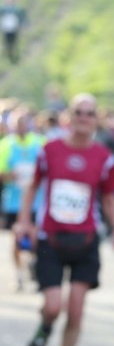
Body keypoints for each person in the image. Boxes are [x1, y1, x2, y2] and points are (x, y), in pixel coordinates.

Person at [15, 94, 114, 346]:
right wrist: (24, 220)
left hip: (86, 241)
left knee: (75, 312)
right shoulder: (49, 151)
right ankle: (44, 328)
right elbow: (32, 187)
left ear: (96, 120)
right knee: (53, 307)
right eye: (79, 112)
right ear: (69, 117)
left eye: (90, 113)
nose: (84, 118)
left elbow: (109, 198)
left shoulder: (105, 157)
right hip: (51, 239)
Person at [0, 109, 44, 291]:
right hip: (14, 201)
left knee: (36, 235)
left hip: (36, 200)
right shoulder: (6, 145)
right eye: (18, 123)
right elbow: (1, 173)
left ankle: (35, 266)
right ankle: (18, 275)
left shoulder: (40, 143)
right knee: (16, 237)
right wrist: (12, 175)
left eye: (24, 122)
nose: (21, 126)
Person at [1, 0, 27, 64]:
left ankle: (13, 55)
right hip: (6, 28)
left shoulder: (17, 9)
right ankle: (8, 54)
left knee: (14, 41)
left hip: (14, 28)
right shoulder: (3, 8)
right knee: (7, 41)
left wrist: (23, 24)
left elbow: (22, 16)